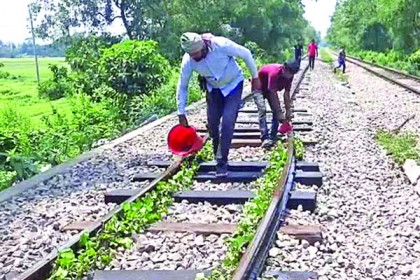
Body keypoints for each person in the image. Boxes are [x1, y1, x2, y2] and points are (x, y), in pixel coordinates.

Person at [176, 32, 261, 177]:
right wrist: (181, 112)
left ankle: (222, 162)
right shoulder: (188, 61)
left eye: (197, 53)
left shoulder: (221, 45)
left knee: (228, 122)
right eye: (192, 55)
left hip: (233, 85)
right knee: (213, 125)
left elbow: (246, 53)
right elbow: (182, 85)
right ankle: (218, 155)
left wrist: (255, 78)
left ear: (203, 46)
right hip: (213, 89)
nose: (195, 57)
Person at [252, 60, 300, 148]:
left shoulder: (290, 76)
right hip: (259, 88)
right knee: (262, 109)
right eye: (289, 73)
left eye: (292, 74)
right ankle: (265, 137)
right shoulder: (274, 73)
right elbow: (273, 94)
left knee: (276, 112)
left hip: (270, 90)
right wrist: (280, 114)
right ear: (284, 69)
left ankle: (272, 135)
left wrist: (288, 110)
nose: (290, 76)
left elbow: (286, 93)